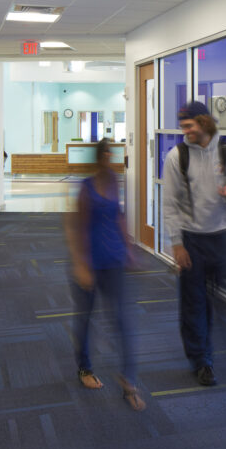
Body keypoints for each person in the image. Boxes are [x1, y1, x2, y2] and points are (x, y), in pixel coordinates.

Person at [162, 101, 226, 386]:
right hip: (192, 240)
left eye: (189, 125)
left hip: (222, 236)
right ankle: (202, 361)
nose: (184, 131)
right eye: (182, 126)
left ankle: (220, 348)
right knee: (194, 304)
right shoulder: (177, 156)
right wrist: (177, 244)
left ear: (204, 122)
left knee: (223, 300)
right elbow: (170, 204)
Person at [66, 138, 145, 411]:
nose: (111, 159)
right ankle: (84, 369)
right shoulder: (86, 187)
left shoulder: (113, 180)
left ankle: (129, 380)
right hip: (89, 262)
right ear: (99, 157)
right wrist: (80, 265)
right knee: (86, 319)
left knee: (123, 319)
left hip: (113, 260)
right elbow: (76, 227)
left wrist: (130, 248)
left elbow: (119, 215)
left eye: (114, 154)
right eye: (108, 154)